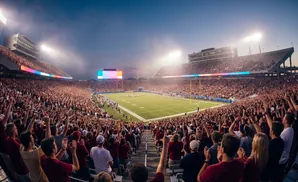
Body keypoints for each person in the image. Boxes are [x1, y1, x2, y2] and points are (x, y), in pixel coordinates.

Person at [19, 116, 51, 182]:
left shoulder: (22, 148)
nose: (33, 138)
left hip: (33, 178)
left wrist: (33, 119)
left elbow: (28, 131)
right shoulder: (35, 154)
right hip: (42, 179)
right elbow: (48, 140)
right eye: (32, 138)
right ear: (30, 142)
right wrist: (48, 123)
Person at [265, 112, 294, 181]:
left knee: (276, 178)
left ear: (286, 120)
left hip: (280, 160)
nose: (282, 118)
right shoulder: (291, 129)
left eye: (284, 117)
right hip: (285, 158)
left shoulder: (284, 133)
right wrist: (267, 115)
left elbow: (274, 132)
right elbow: (273, 128)